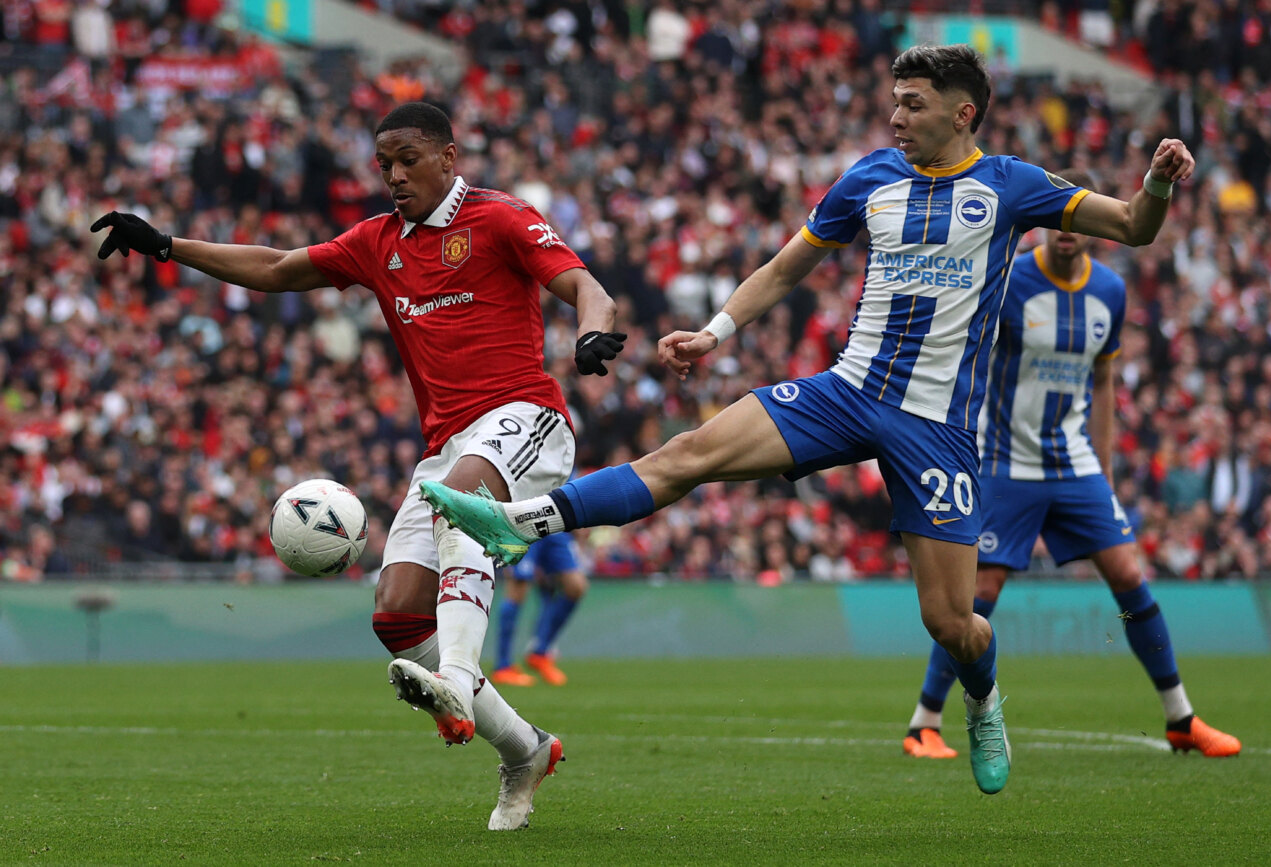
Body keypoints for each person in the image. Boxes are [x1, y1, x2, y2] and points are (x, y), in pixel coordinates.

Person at [421, 44, 1196, 797]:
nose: (896, 114)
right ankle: (523, 522)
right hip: (846, 391)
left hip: (936, 427)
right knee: (689, 452)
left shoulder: (1012, 185)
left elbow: (1133, 225)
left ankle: (983, 702)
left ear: (964, 113)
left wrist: (1157, 182)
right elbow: (789, 264)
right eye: (895, 99)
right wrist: (715, 333)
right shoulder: (870, 177)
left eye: (913, 103)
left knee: (954, 624)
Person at [89, 101, 627, 830]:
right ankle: (525, 749)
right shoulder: (377, 242)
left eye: (408, 159)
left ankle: (459, 683)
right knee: (398, 611)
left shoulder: (501, 218)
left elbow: (584, 284)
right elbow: (278, 268)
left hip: (524, 418)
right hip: (448, 446)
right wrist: (165, 245)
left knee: (460, 503)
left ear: (449, 155)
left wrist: (594, 330)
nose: (395, 175)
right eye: (384, 164)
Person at [902, 168, 1241, 761]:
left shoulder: (1109, 290)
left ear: (1088, 229)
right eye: (1056, 222)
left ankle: (1181, 719)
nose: (1066, 233)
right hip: (1006, 463)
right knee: (978, 592)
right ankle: (924, 723)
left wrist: (1104, 469)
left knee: (1130, 576)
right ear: (1048, 223)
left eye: (1075, 225)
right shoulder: (1009, 280)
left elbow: (1104, 380)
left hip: (1074, 463)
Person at [491, 531, 589, 687]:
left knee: (576, 587)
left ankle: (540, 652)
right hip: (525, 523)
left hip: (556, 527)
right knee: (518, 587)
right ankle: (503, 666)